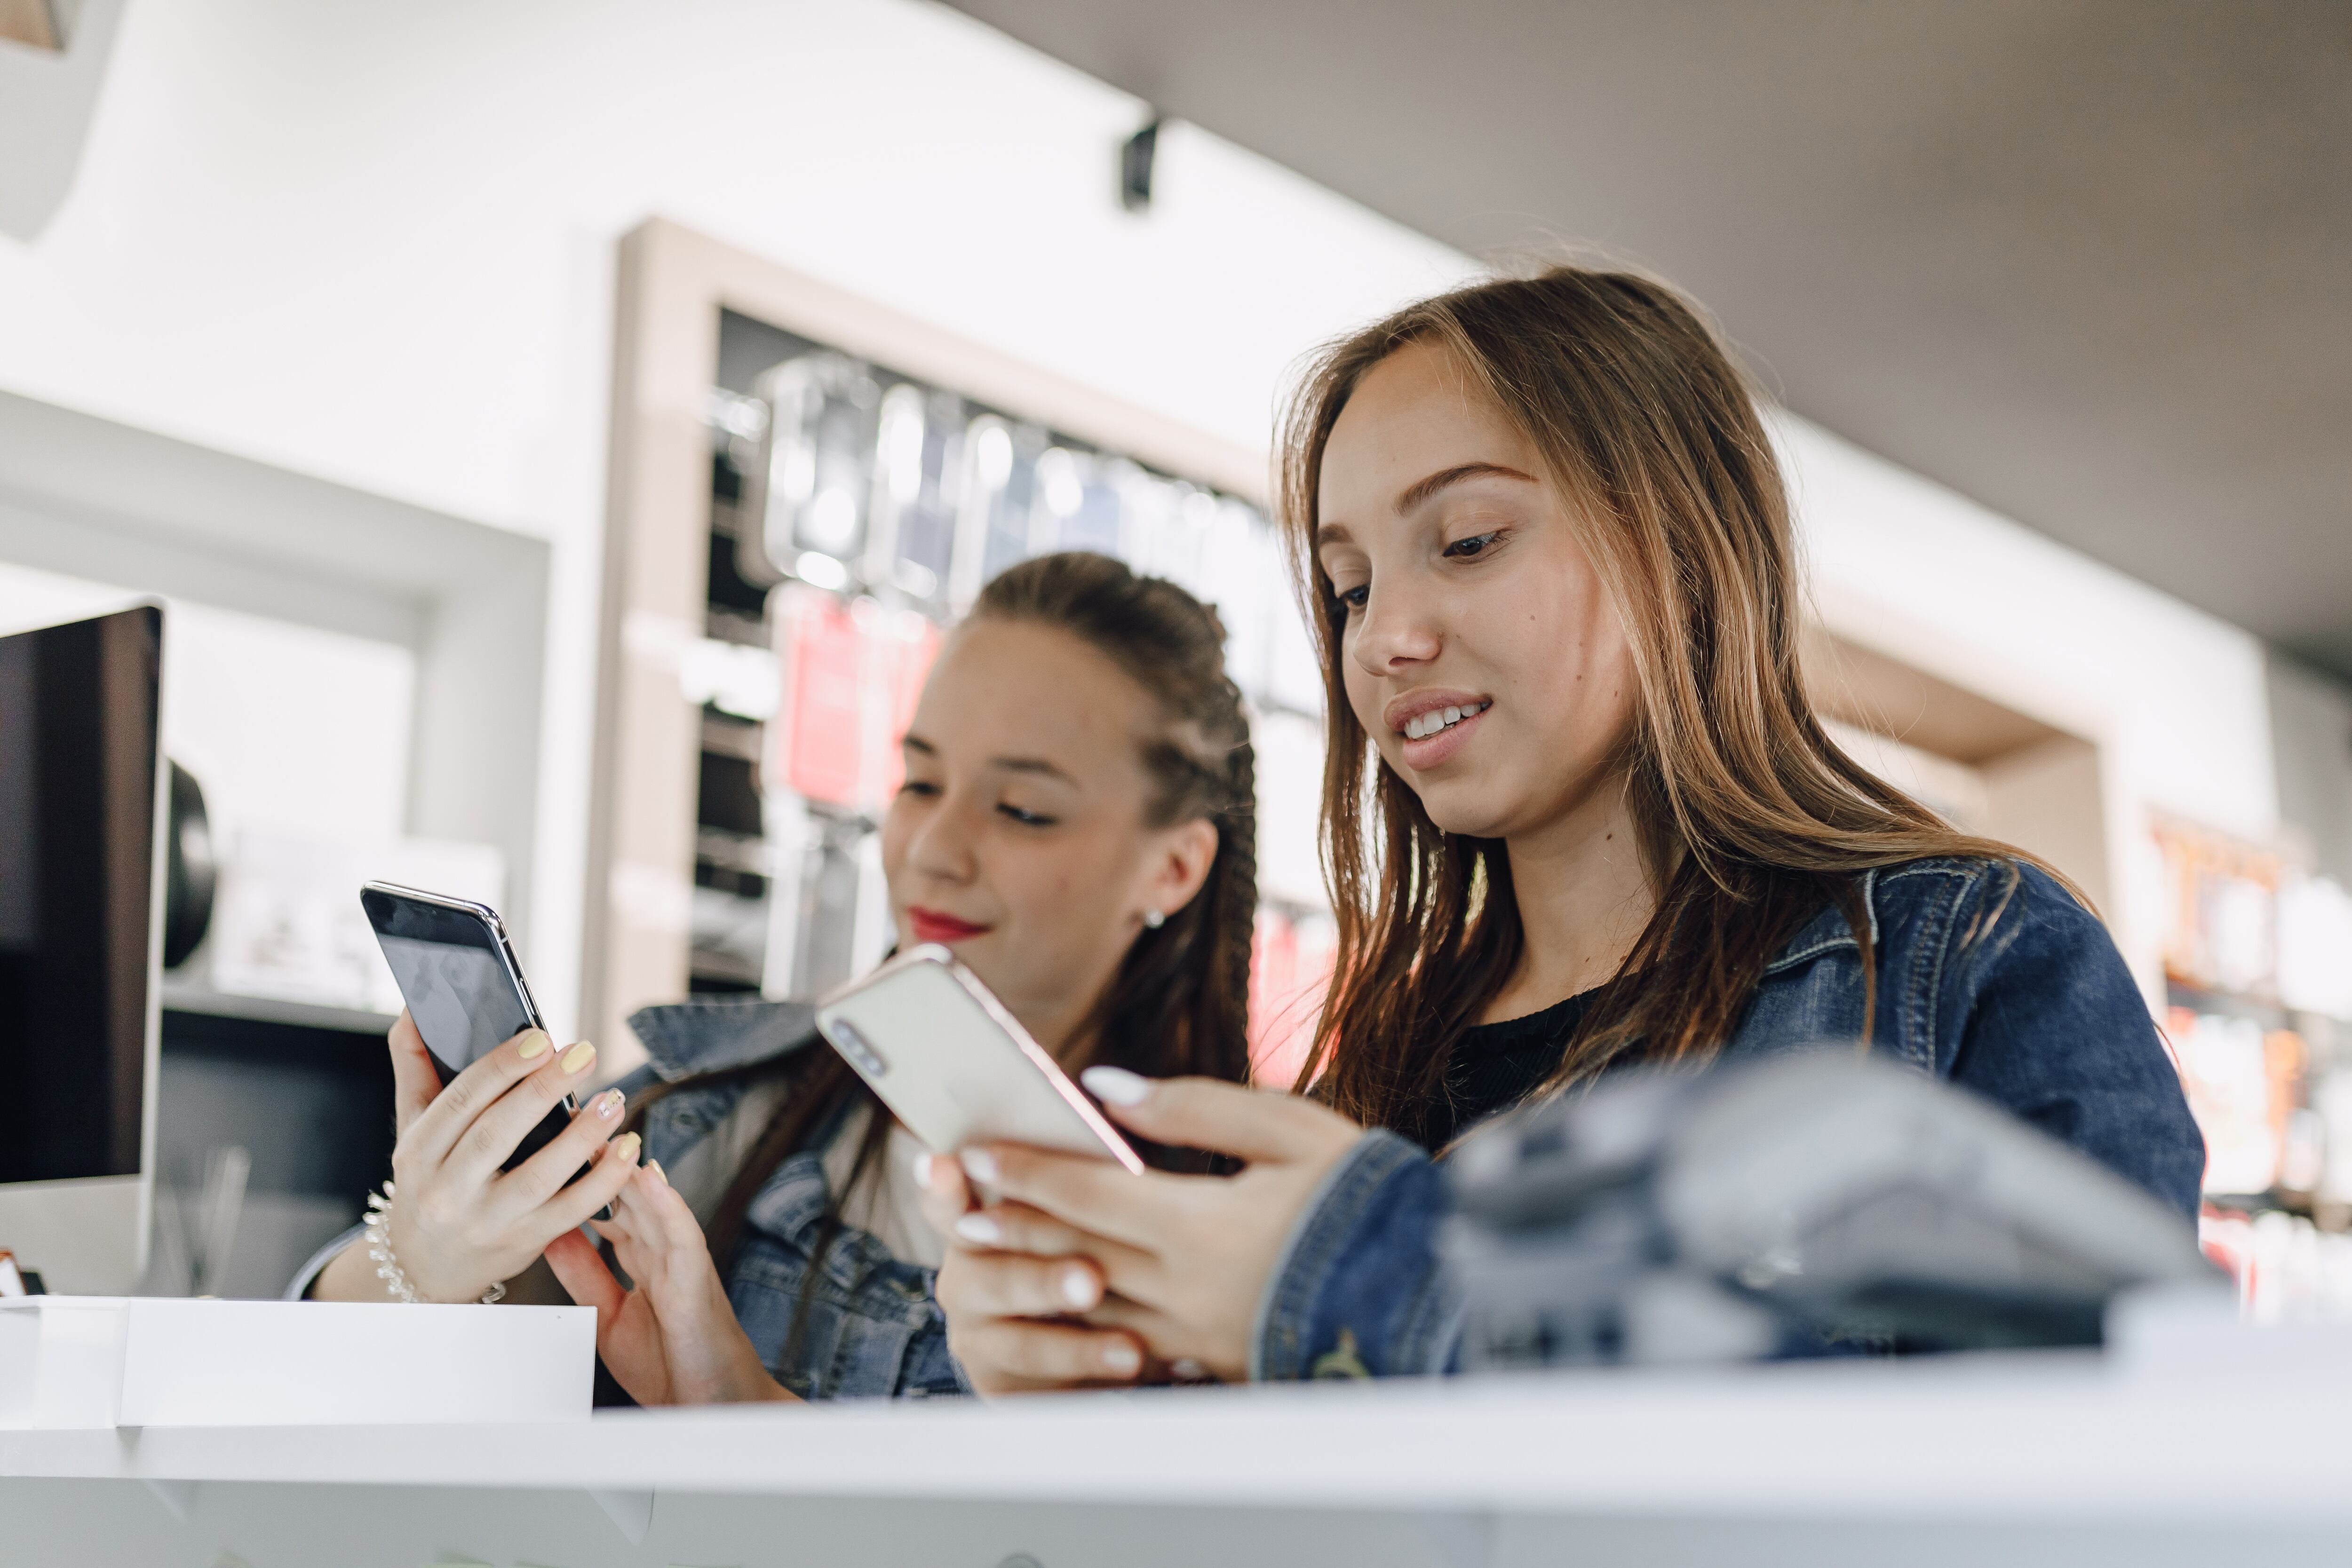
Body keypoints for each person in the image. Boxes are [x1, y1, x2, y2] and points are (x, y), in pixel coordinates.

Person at [915, 262, 2207, 1392]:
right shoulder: (1377, 1066)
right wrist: (1114, 1387)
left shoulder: (1967, 956)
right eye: (1349, 586)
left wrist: (1383, 1280)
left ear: (1678, 546)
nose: (1383, 637)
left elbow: (2101, 1488)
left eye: (1468, 540)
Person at [301, 551, 1257, 1402]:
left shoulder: (1253, 1244)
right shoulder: (704, 1114)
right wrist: (419, 1257)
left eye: (1021, 809)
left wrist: (748, 1413)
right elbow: (306, 1385)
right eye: (920, 782)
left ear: (1173, 867)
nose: (933, 848)